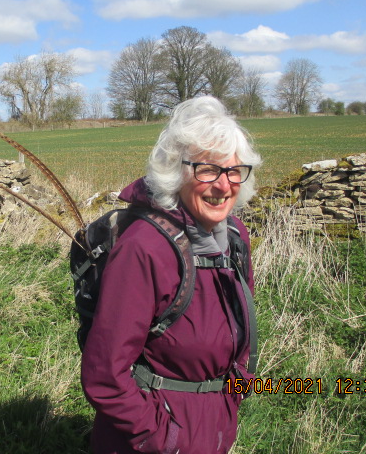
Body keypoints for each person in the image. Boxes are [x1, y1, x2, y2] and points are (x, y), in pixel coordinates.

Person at [80, 96, 261, 454]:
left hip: (215, 429)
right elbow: (105, 374)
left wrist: (232, 400)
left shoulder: (235, 236)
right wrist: (165, 441)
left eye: (234, 170)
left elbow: (242, 335)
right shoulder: (144, 248)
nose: (223, 185)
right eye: (207, 169)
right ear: (177, 171)